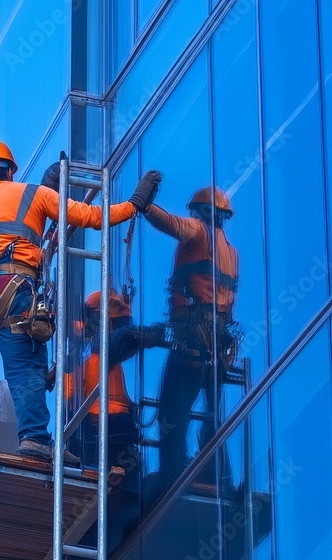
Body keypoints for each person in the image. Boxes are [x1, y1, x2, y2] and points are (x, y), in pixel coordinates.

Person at [0, 139, 163, 489]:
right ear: (11, 170)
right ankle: (33, 438)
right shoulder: (35, 195)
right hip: (12, 290)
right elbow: (93, 217)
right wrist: (133, 205)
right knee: (25, 367)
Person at [146, 186, 239, 489]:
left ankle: (171, 475)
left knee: (173, 411)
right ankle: (219, 476)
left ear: (203, 212)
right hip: (217, 343)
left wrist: (144, 205)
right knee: (212, 416)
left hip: (194, 339)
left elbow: (171, 224)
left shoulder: (199, 232)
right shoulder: (231, 252)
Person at [67, 290, 168, 551]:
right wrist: (149, 334)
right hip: (108, 433)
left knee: (117, 508)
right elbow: (122, 338)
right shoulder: (98, 350)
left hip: (95, 435)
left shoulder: (76, 356)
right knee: (124, 507)